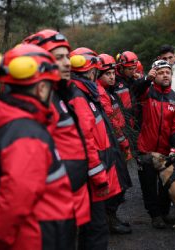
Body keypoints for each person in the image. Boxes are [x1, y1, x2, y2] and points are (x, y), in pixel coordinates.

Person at [0, 44, 76, 249]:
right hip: (35, 238)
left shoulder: (0, 121)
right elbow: (15, 201)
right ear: (42, 88)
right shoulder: (27, 134)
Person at [23, 29, 90, 227]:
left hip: (68, 202)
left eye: (67, 57)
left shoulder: (58, 94)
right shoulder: (37, 103)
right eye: (59, 57)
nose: (68, 63)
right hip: (51, 211)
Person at [67, 47, 131, 249]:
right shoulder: (80, 96)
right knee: (95, 230)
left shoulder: (87, 93)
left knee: (95, 227)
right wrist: (99, 175)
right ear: (92, 71)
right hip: (94, 172)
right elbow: (87, 139)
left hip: (101, 165)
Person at [136, 60, 175, 229]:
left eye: (168, 72)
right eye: (161, 72)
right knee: (148, 186)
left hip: (165, 152)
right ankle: (155, 215)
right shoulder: (147, 92)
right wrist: (146, 79)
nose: (165, 75)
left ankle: (164, 212)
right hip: (146, 149)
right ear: (155, 74)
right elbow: (135, 90)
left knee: (165, 185)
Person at [97, 53, 133, 234]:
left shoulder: (107, 91)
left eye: (112, 73)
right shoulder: (100, 94)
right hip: (111, 144)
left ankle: (111, 218)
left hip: (115, 142)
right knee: (117, 184)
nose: (112, 77)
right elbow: (111, 121)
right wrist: (124, 142)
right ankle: (109, 220)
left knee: (121, 183)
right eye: (107, 74)